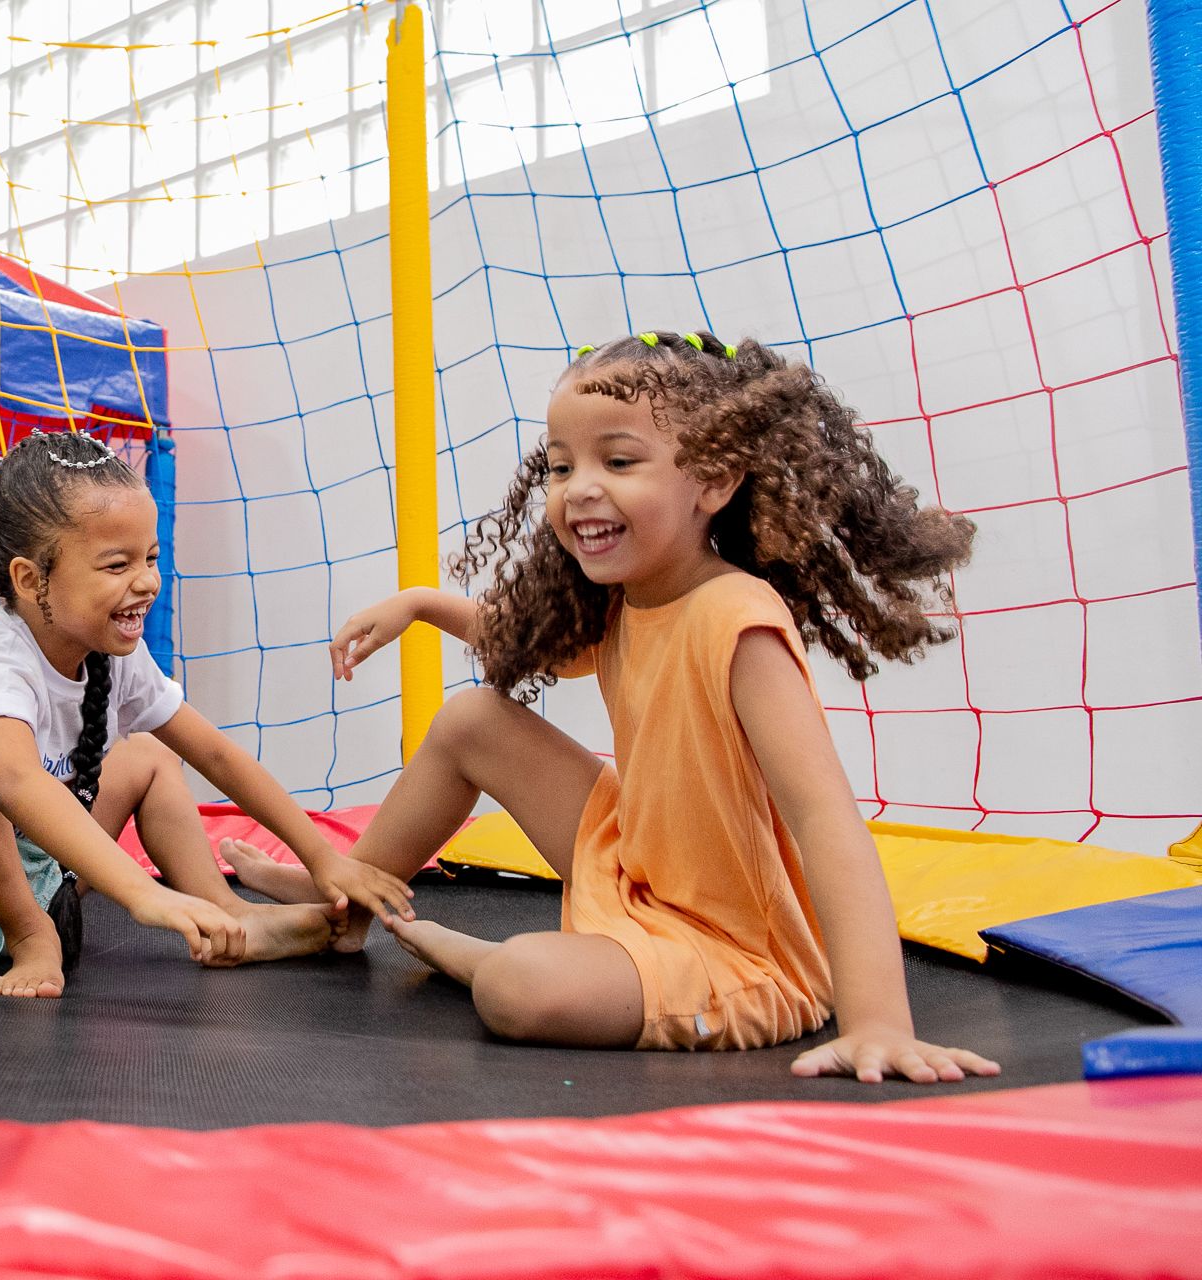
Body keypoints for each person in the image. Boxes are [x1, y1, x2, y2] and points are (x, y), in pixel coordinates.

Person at [231, 330, 1002, 1083]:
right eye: (561, 467)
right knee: (474, 721)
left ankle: (449, 946)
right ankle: (349, 896)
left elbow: (824, 818)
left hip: (735, 952)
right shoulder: (633, 599)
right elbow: (528, 646)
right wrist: (425, 605)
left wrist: (878, 1022)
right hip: (639, 863)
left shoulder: (738, 618)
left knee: (520, 986)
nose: (580, 488)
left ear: (716, 479)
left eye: (620, 460)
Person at [0, 429, 416, 998]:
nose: (146, 580)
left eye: (150, 557)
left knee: (147, 755)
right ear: (29, 579)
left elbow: (215, 752)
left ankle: (223, 914)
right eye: (117, 564)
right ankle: (30, 935)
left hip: (38, 874)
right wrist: (142, 893)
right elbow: (17, 782)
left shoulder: (116, 658)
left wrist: (321, 859)